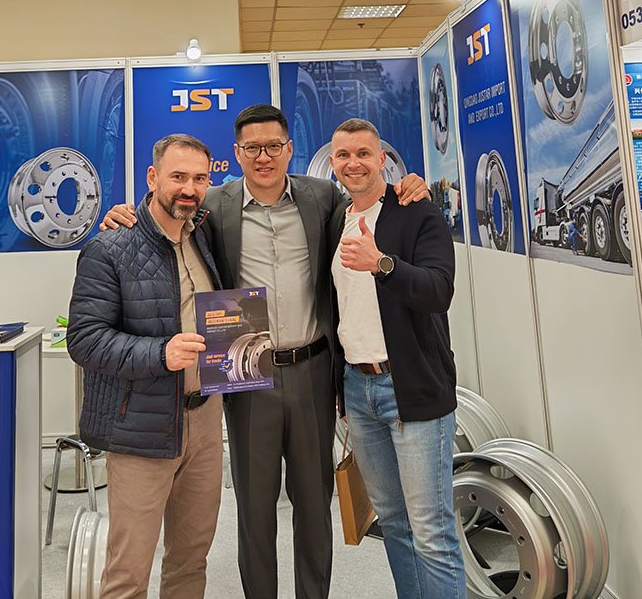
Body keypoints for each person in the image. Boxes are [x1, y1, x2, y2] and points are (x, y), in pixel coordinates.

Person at [101, 104, 429, 598]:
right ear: (236, 154)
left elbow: (370, 198)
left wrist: (411, 188)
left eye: (273, 146)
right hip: (245, 369)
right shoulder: (213, 204)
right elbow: (165, 213)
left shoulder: (322, 197)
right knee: (255, 508)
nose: (264, 156)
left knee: (314, 505)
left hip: (312, 368)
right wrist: (123, 213)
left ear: (289, 149)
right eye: (252, 147)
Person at [67, 134, 224, 599]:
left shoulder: (205, 236)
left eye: (199, 179)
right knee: (129, 570)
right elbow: (84, 339)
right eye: (178, 177)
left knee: (191, 558)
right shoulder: (109, 248)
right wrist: (160, 353)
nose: (189, 189)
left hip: (204, 421)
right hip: (141, 426)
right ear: (153, 177)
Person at [328, 118, 465, 599]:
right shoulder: (335, 220)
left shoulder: (417, 212)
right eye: (344, 155)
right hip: (358, 391)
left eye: (363, 153)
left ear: (382, 159)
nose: (354, 163)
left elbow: (438, 291)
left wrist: (381, 264)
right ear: (332, 163)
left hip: (412, 386)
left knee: (431, 532)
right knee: (393, 522)